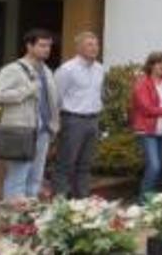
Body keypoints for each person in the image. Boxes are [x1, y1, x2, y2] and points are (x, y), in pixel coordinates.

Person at [0, 29, 61, 201]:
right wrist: (27, 90)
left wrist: (54, 125)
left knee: (36, 179)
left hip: (43, 131)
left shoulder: (47, 71)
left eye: (49, 46)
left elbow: (53, 101)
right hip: (22, 130)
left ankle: (28, 221)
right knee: (18, 176)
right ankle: (10, 220)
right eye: (42, 45)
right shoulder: (13, 69)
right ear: (29, 46)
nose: (47, 49)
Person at [52, 31, 105, 199]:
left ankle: (82, 202)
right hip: (72, 120)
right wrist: (56, 122)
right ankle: (61, 201)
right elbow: (56, 97)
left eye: (96, 44)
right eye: (90, 44)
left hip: (93, 120)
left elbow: (99, 94)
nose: (94, 48)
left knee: (85, 164)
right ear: (79, 47)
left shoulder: (100, 69)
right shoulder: (67, 69)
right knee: (66, 163)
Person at [131, 51, 162, 201]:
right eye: (159, 62)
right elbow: (146, 108)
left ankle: (152, 198)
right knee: (154, 166)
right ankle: (143, 201)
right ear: (151, 65)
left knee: (158, 168)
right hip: (147, 131)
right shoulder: (142, 83)